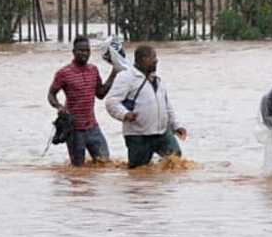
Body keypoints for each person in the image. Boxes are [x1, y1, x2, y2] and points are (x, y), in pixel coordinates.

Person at [105, 45, 188, 169]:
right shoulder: (127, 77)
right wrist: (125, 114)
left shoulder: (157, 80)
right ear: (142, 59)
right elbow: (111, 102)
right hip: (138, 136)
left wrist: (176, 125)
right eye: (153, 57)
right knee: (138, 171)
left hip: (162, 133)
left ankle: (162, 188)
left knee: (175, 159)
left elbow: (166, 105)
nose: (156, 60)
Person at [48, 36, 120, 166]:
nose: (84, 53)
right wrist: (58, 106)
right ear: (74, 51)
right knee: (78, 170)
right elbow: (51, 94)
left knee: (105, 163)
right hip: (74, 130)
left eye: (87, 50)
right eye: (81, 50)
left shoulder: (93, 70)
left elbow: (100, 94)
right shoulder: (63, 73)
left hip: (92, 127)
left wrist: (114, 73)